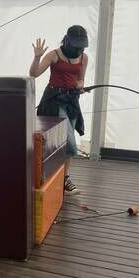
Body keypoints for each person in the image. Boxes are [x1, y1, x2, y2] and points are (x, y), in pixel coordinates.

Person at [29, 25, 89, 195]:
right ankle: (55, 177)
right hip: (54, 102)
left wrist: (80, 85)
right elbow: (34, 73)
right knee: (70, 145)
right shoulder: (54, 55)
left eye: (82, 46)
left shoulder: (84, 58)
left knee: (63, 144)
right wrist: (37, 57)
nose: (79, 49)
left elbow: (81, 79)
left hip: (72, 102)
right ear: (67, 40)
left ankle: (62, 179)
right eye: (77, 45)